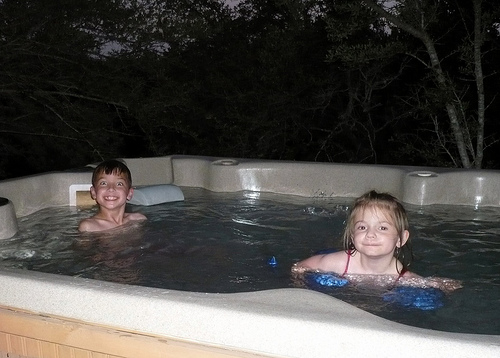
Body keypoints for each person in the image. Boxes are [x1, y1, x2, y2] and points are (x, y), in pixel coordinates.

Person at [292, 190, 462, 292]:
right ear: (352, 236)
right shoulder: (339, 262)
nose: (370, 234)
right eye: (362, 227)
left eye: (382, 228)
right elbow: (299, 267)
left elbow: (437, 284)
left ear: (401, 239)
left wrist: (438, 284)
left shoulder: (402, 278)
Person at [78, 159, 147, 232]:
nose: (111, 188)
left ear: (129, 193)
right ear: (94, 192)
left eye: (119, 184)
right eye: (103, 183)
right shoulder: (89, 227)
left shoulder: (138, 220)